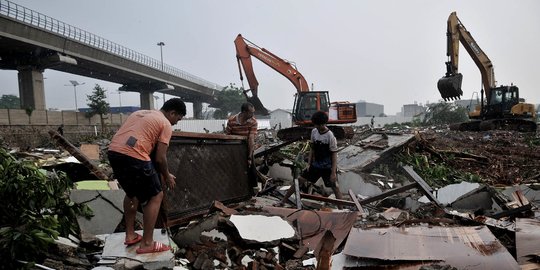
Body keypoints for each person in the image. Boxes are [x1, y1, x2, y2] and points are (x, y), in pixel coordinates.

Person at [107, 98, 186, 254]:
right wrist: (167, 176)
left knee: (132, 192)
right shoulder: (165, 124)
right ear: (172, 113)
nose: (177, 122)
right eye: (178, 118)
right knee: (156, 195)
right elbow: (160, 157)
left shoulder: (139, 113)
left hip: (114, 152)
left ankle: (130, 235)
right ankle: (147, 243)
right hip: (134, 156)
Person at [275, 111, 343, 208]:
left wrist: (333, 173)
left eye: (318, 125)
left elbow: (334, 155)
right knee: (298, 181)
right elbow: (312, 148)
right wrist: (309, 164)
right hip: (316, 165)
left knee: (335, 188)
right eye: (315, 125)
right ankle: (283, 201)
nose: (317, 127)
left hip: (328, 167)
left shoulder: (330, 136)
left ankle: (342, 210)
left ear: (324, 123)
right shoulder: (314, 132)